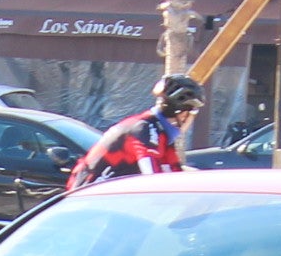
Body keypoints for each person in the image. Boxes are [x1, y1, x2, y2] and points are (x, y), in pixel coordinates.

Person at [68, 75, 206, 190]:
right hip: (88, 197)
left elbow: (174, 174)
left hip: (109, 197)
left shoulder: (161, 133)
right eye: (193, 112)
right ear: (182, 114)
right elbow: (152, 179)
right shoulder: (144, 129)